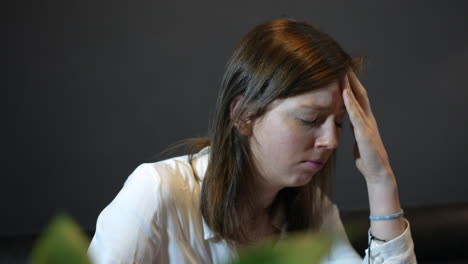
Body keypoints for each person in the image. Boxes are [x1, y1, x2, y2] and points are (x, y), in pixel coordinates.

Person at [88, 18, 417, 264]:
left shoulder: (314, 213)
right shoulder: (156, 192)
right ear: (244, 115)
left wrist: (380, 180)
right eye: (310, 120)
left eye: (340, 124)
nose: (331, 140)